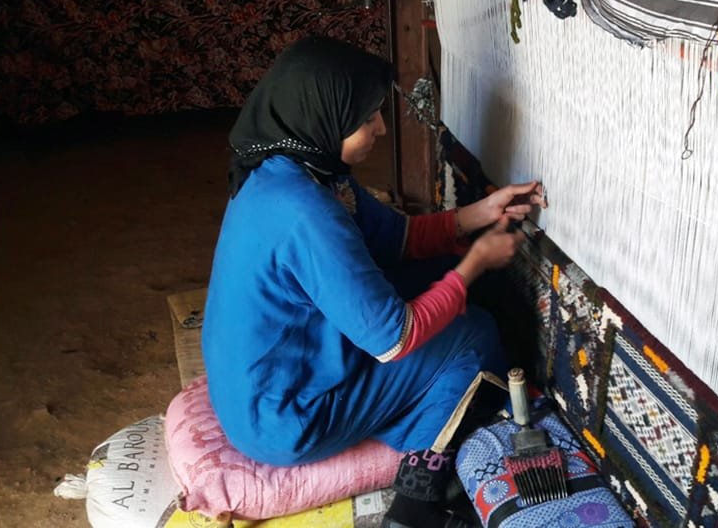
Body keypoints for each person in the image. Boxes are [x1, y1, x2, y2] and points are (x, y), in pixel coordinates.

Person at [200, 36, 545, 523]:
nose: (381, 128)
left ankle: (409, 412)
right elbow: (395, 337)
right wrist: (476, 264)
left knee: (432, 275)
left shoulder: (300, 170)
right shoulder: (304, 211)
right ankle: (418, 495)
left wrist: (481, 212)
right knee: (473, 335)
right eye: (366, 119)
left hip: (267, 381)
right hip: (283, 418)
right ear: (325, 117)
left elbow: (397, 239)